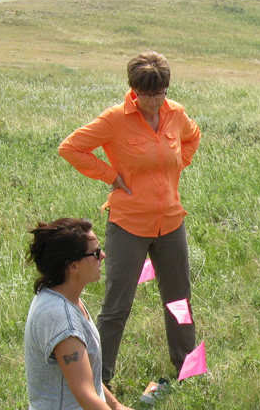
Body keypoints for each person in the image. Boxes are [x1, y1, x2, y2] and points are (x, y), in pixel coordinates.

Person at [59, 51, 201, 387]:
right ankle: (99, 381)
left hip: (171, 223)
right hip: (128, 226)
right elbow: (71, 148)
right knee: (116, 306)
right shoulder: (114, 119)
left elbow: (193, 137)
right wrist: (110, 175)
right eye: (146, 94)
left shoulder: (176, 113)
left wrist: (178, 165)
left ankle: (189, 370)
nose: (153, 102)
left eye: (160, 93)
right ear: (132, 89)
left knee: (179, 299)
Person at [22, 217, 172, 410]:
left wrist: (115, 406)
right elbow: (85, 393)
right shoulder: (61, 320)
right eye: (94, 252)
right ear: (73, 266)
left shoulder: (65, 297)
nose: (103, 255)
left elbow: (86, 373)